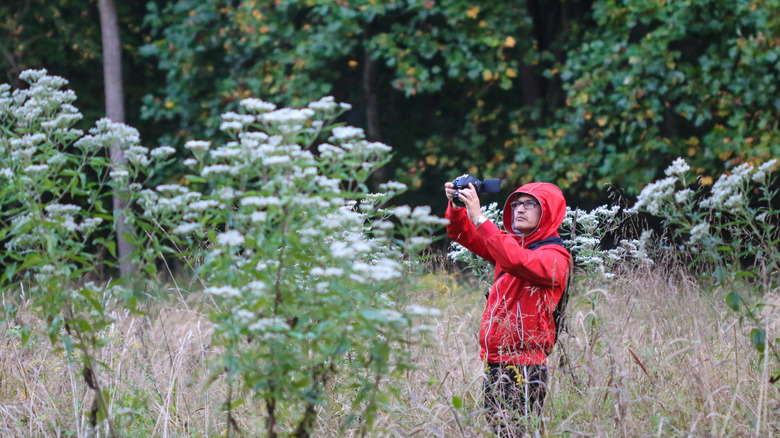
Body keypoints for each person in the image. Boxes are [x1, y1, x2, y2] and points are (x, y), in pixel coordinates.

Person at [444, 180, 571, 433]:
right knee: (502, 432)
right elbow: (462, 234)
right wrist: (457, 206)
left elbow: (518, 261)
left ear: (549, 211)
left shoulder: (556, 257)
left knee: (515, 432)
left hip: (525, 366)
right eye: (516, 203)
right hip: (495, 362)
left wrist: (480, 218)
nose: (520, 209)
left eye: (531, 204)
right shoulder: (509, 246)